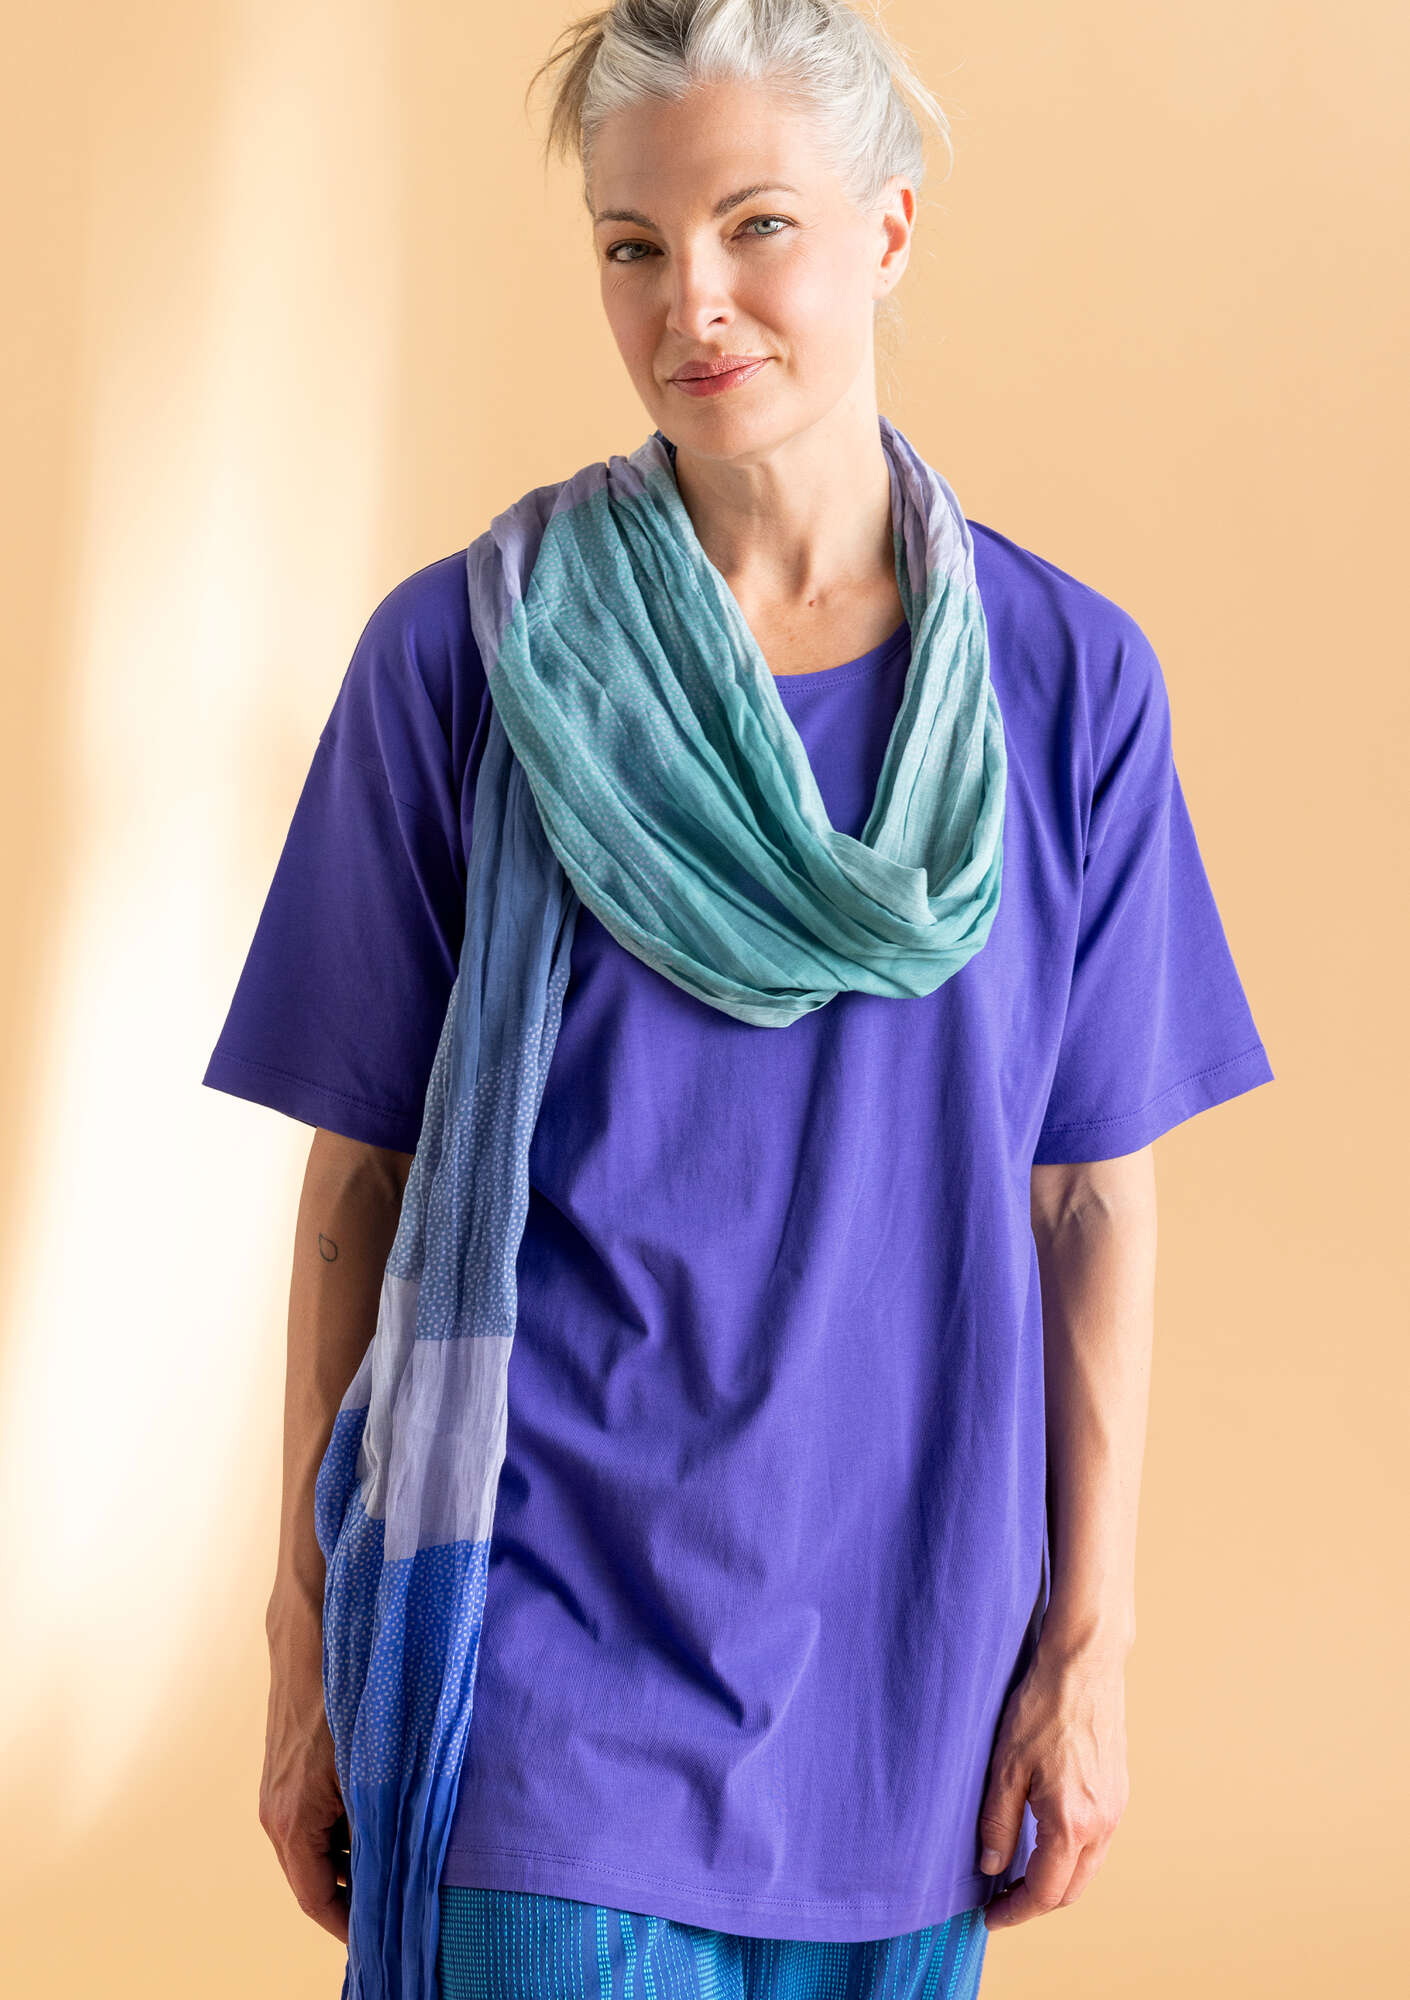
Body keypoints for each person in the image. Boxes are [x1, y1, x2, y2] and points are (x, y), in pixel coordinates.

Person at [203, 4, 1275, 1996]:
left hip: (910, 1688)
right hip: (535, 1664)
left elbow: (1086, 1199)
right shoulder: (471, 660)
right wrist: (300, 1635)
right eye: (631, 243)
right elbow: (365, 1178)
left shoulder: (1068, 688)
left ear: (886, 230)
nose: (688, 299)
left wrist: (1090, 1649)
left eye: (753, 224)